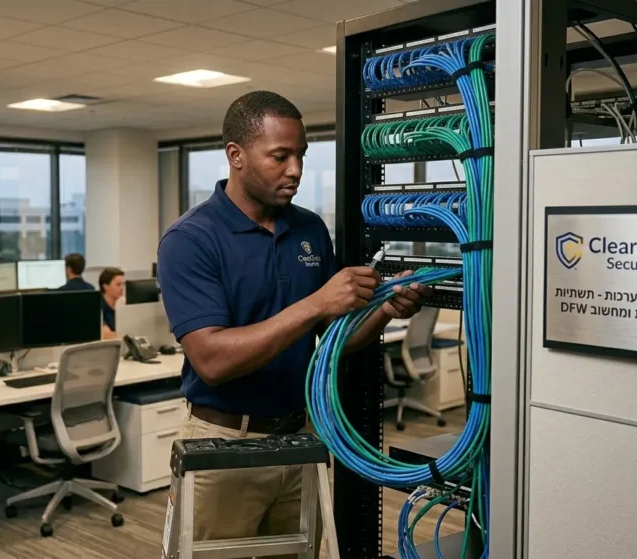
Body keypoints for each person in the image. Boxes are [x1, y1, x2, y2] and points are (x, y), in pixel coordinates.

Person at [157, 91, 431, 555]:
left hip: (300, 437)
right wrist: (316, 304)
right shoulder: (191, 239)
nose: (296, 170)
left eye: (301, 155)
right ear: (236, 155)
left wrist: (385, 309)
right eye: (280, 156)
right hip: (223, 442)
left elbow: (336, 340)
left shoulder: (309, 229)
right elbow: (212, 361)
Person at [98, 267, 124, 339]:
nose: (122, 288)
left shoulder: (122, 305)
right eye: (118, 284)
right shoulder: (97, 305)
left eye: (123, 284)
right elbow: (106, 335)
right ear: (105, 286)